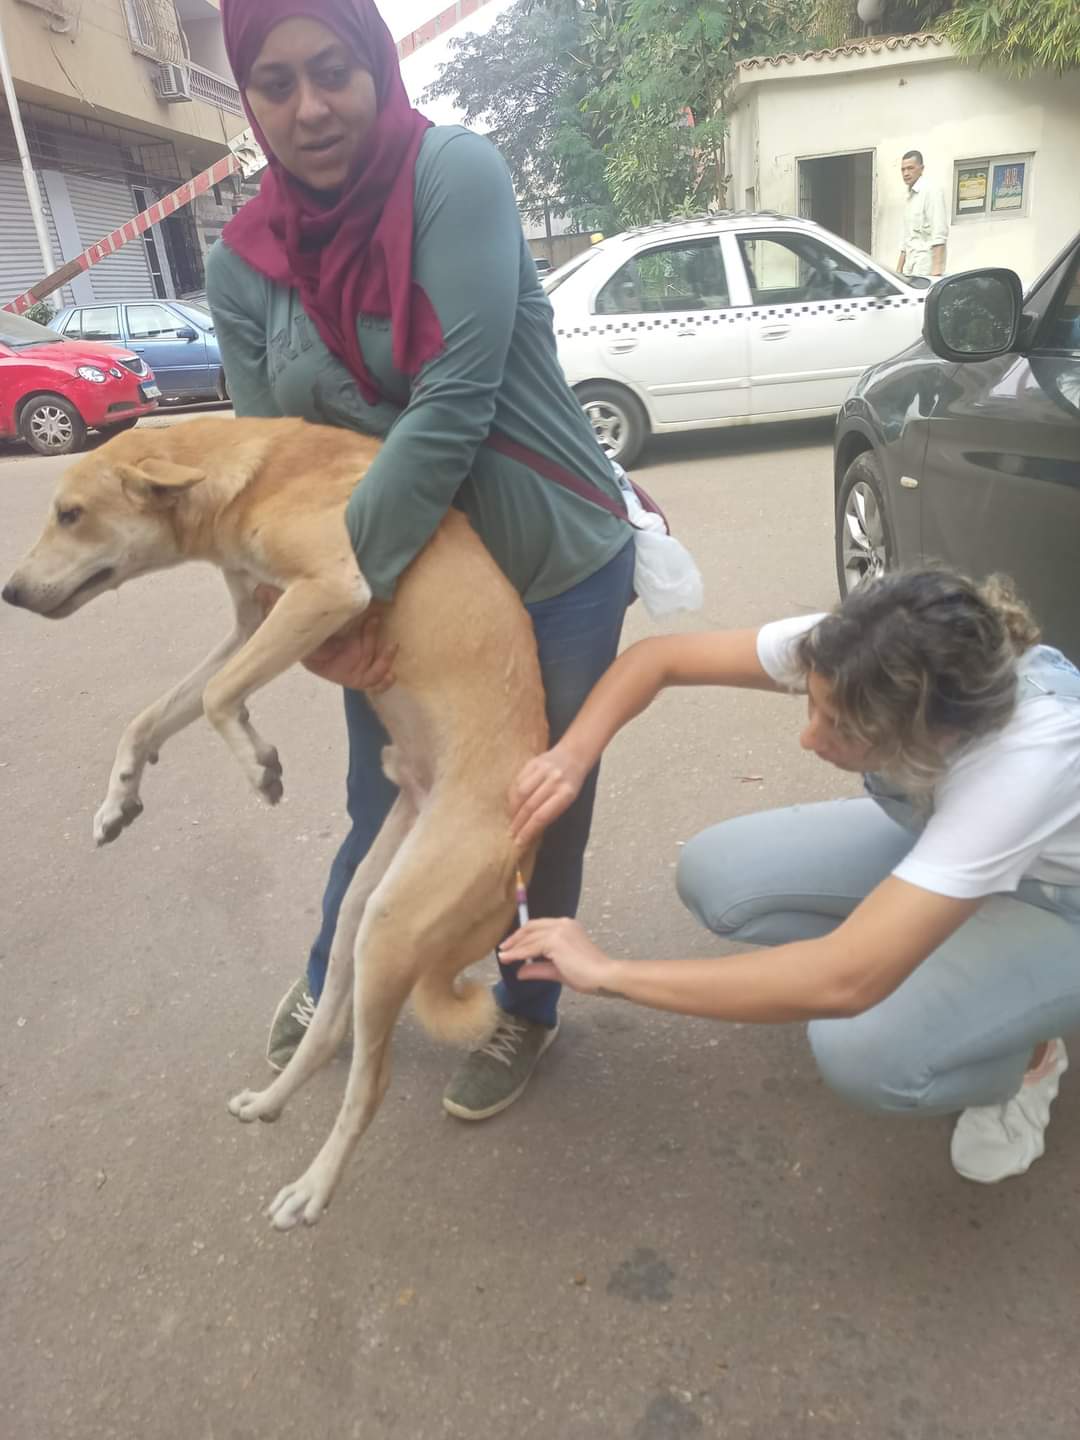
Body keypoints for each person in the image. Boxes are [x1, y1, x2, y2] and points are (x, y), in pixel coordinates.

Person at [207, 0, 636, 1119]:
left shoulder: (453, 175)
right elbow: (272, 466)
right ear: (247, 100)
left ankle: (524, 1003)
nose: (310, 107)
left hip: (546, 556)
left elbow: (453, 403)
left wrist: (343, 592)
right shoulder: (242, 265)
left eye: (333, 71)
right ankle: (337, 975)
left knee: (536, 808)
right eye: (276, 84)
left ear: (377, 66)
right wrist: (319, 626)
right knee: (386, 791)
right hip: (398, 587)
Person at [504, 569, 1080, 1183]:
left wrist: (610, 975)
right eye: (813, 702)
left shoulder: (1021, 764)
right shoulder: (868, 648)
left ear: (931, 736)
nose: (809, 737)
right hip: (956, 835)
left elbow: (844, 981)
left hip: (1058, 900)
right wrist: (570, 758)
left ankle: (1026, 1055)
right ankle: (936, 954)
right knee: (717, 874)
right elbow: (659, 659)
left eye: (843, 728)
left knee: (860, 1049)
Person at [896, 149, 948, 279]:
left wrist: (936, 275)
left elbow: (939, 234)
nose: (906, 173)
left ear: (921, 169)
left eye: (910, 168)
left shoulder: (931, 191)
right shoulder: (909, 196)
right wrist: (898, 272)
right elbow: (906, 239)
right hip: (910, 269)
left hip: (926, 270)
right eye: (903, 170)